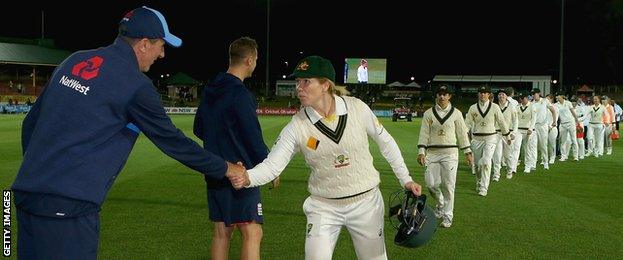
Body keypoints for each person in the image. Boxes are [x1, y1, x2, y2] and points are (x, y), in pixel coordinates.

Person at [11, 6, 245, 259]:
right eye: (161, 45)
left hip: (27, 193)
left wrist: (40, 174)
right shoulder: (136, 86)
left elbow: (31, 124)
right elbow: (174, 143)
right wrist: (227, 168)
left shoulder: (75, 60)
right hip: (68, 206)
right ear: (144, 44)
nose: (163, 54)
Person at [232, 55, 422, 260]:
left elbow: (387, 144)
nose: (299, 87)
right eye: (297, 82)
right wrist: (247, 177)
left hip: (366, 203)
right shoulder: (297, 125)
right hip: (323, 206)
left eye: (306, 81)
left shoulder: (357, 108)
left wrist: (406, 179)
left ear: (325, 85)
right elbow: (272, 166)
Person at [193, 36, 277, 260]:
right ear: (249, 60)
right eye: (257, 59)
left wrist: (219, 147)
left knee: (222, 232)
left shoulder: (211, 89)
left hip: (215, 170)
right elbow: (252, 138)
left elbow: (198, 128)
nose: (256, 64)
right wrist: (271, 167)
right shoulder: (241, 94)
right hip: (240, 173)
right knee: (253, 231)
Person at [417, 85, 473, 228]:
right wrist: (421, 152)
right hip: (432, 153)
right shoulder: (429, 113)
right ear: (436, 96)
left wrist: (467, 152)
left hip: (450, 153)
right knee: (431, 184)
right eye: (440, 94)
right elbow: (424, 133)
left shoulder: (456, 113)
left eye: (445, 94)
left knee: (449, 186)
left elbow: (462, 134)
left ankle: (448, 216)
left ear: (450, 96)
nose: (442, 96)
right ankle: (440, 203)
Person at [465, 86, 512, 196]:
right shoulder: (473, 108)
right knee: (477, 165)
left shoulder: (495, 107)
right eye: (481, 93)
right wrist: (463, 135)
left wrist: (507, 136)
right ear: (478, 94)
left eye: (485, 93)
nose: (483, 95)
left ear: (489, 95)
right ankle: (479, 181)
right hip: (476, 139)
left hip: (490, 138)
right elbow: (467, 124)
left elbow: (502, 122)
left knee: (486, 161)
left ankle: (484, 187)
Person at [492, 89, 519, 180]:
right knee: (497, 155)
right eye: (499, 94)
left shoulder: (511, 107)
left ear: (507, 96)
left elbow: (515, 121)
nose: (501, 96)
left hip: (508, 134)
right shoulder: (495, 107)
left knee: (508, 155)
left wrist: (514, 133)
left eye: (503, 94)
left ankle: (509, 170)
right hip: (497, 133)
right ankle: (496, 174)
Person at [530, 88, 556, 170]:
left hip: (543, 126)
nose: (534, 95)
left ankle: (545, 162)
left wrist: (554, 121)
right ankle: (533, 164)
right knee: (533, 146)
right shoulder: (531, 103)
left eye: (535, 93)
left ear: (539, 93)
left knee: (543, 145)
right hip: (534, 126)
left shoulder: (545, 101)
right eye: (532, 94)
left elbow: (553, 111)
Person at [554, 93, 580, 161]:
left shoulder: (568, 103)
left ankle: (576, 156)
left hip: (571, 123)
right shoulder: (556, 105)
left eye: (558, 96)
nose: (557, 97)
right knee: (563, 141)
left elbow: (573, 112)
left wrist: (577, 120)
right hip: (562, 124)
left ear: (562, 96)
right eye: (556, 96)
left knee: (574, 139)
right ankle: (563, 156)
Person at [517, 92, 537, 174]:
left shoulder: (532, 106)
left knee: (527, 148)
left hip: (528, 130)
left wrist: (531, 128)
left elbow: (534, 118)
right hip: (518, 130)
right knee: (517, 148)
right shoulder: (517, 107)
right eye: (521, 99)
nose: (522, 101)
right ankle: (514, 165)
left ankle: (528, 166)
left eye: (523, 99)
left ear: (527, 98)